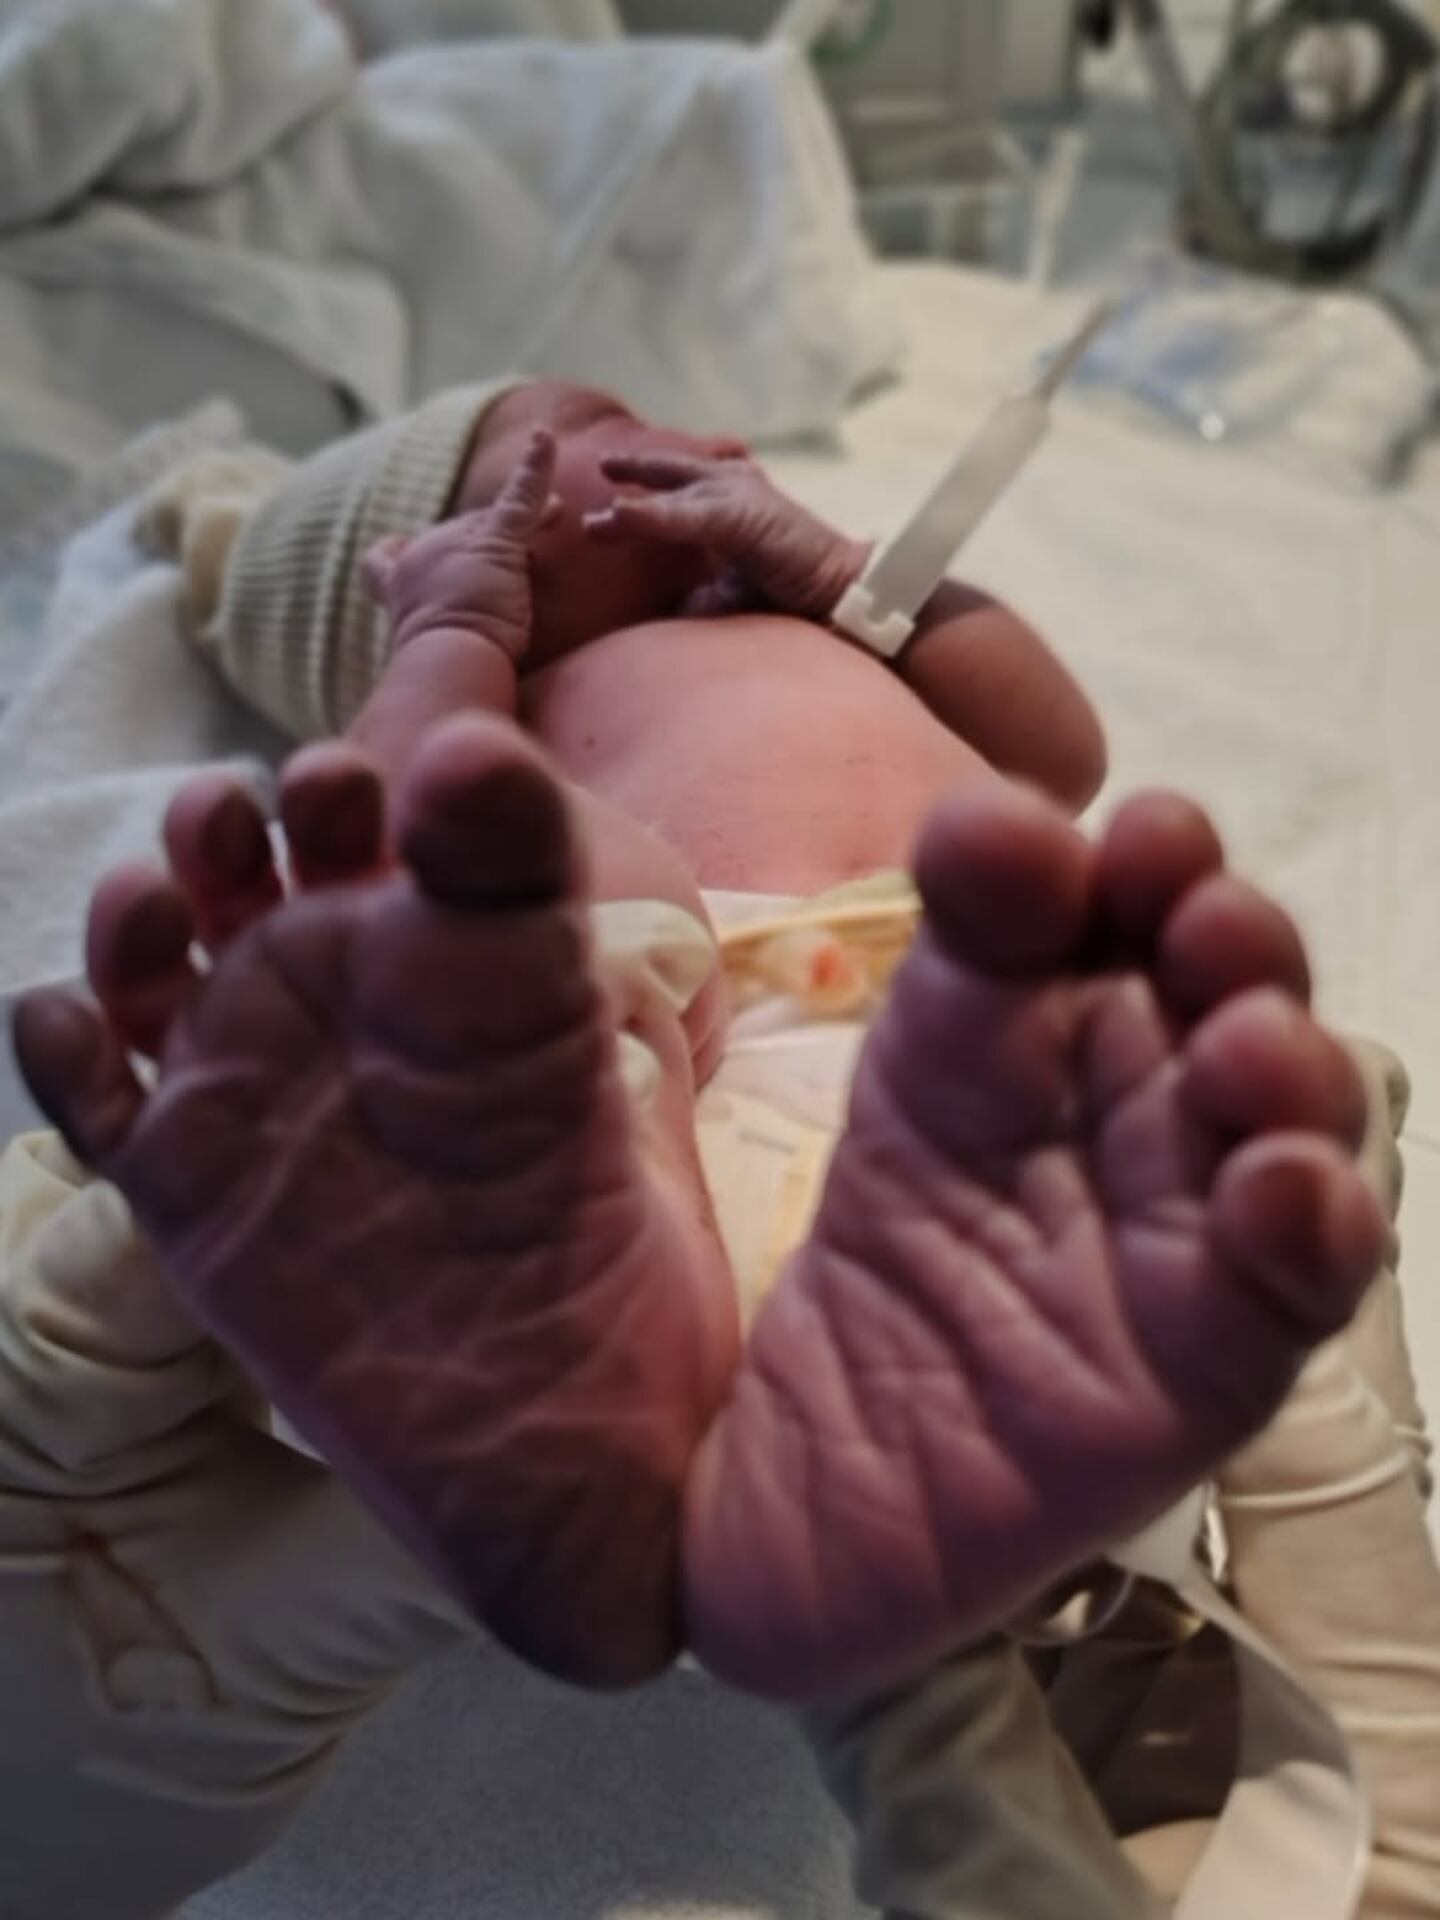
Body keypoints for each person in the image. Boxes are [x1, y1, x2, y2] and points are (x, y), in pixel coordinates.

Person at [7, 379, 1427, 1917]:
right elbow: (403, 797)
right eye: (593, 418)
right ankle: (631, 1367)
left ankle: (988, 1560)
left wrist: (850, 577)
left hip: (973, 1047)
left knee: (1197, 1179)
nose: (715, 439)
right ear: (453, 534)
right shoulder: (527, 687)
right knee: (517, 895)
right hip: (708, 1035)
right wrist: (445, 636)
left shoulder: (832, 623)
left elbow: (1057, 756)